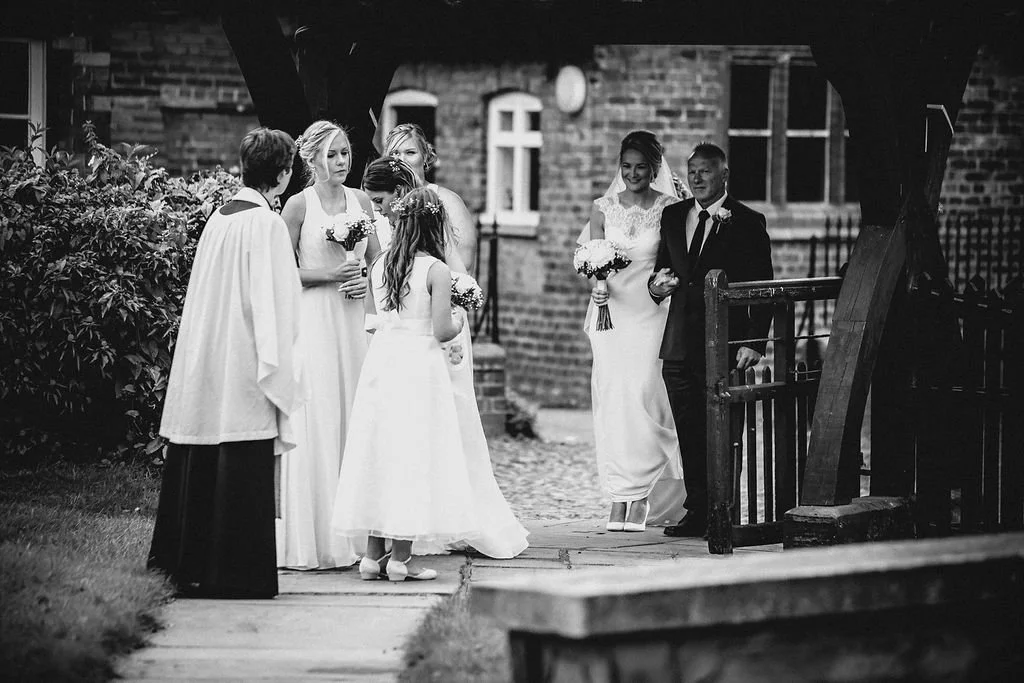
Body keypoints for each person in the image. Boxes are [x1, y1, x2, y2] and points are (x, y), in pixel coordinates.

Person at [331, 187, 528, 581]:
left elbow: (371, 321)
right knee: (412, 456)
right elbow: (441, 331)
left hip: (383, 363)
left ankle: (373, 557)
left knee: (380, 453)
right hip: (419, 369)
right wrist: (458, 317)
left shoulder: (380, 264)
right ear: (434, 227)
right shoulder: (435, 270)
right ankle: (401, 559)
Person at [149, 127, 303, 598]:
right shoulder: (267, 224)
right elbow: (278, 302)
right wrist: (281, 364)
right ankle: (236, 573)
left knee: (203, 444)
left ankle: (188, 563)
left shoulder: (218, 218)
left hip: (208, 353)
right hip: (244, 359)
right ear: (282, 175)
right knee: (240, 443)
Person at [649, 142, 774, 538]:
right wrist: (656, 287)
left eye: (706, 171)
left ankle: (724, 510)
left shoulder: (748, 222)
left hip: (726, 345)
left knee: (723, 431)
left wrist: (755, 342)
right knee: (689, 429)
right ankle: (697, 509)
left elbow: (763, 286)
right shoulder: (672, 217)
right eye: (693, 171)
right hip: (679, 346)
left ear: (723, 175)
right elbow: (660, 274)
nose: (697, 178)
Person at [275, 120, 381, 570]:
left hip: (353, 321)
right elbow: (279, 270)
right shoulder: (298, 206)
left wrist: (365, 283)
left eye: (346, 153)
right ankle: (315, 538)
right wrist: (329, 276)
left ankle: (358, 536)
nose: (342, 162)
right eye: (333, 154)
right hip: (316, 320)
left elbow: (379, 260)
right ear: (311, 158)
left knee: (355, 414)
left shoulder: (360, 201)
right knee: (319, 416)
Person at [582, 130, 688, 534]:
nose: (632, 174)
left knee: (645, 395)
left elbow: (677, 260)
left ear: (655, 168)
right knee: (612, 400)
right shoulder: (601, 209)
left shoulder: (670, 209)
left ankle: (642, 492)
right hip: (609, 316)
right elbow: (590, 258)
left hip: (650, 314)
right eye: (626, 167)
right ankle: (618, 494)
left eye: (641, 167)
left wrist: (667, 283)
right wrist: (595, 281)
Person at [382, 123, 476, 273]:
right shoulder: (380, 204)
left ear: (425, 156)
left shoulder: (447, 200)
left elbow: (465, 261)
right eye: (394, 153)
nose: (402, 160)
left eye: (410, 152)